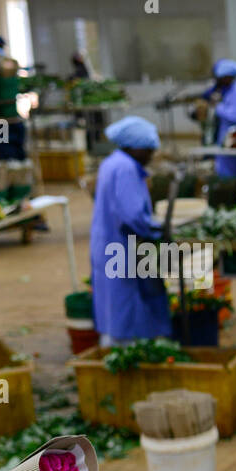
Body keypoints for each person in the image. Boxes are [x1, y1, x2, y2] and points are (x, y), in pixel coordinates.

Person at [89, 116, 169, 347]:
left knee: (113, 306)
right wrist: (159, 228)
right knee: (126, 309)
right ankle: (127, 358)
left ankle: (117, 350)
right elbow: (132, 215)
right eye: (148, 150)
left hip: (107, 243)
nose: (151, 156)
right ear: (135, 147)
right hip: (121, 249)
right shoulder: (125, 169)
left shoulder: (111, 162)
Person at [204, 59, 236, 182]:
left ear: (227, 77)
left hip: (235, 140)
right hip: (232, 141)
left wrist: (217, 107)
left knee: (233, 178)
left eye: (220, 78)